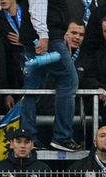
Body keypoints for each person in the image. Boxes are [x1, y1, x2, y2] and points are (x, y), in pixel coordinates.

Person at [20, 0, 82, 152]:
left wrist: (62, 33)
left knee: (32, 89)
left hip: (40, 35)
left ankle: (28, 136)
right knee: (69, 81)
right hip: (48, 37)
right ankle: (62, 136)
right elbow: (38, 5)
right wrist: (44, 35)